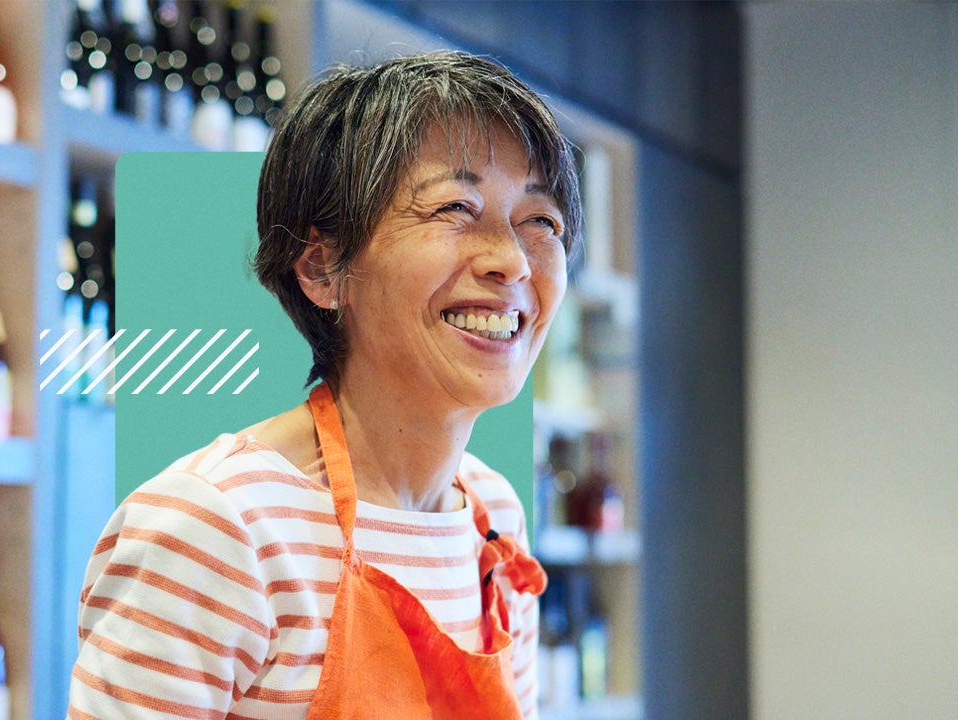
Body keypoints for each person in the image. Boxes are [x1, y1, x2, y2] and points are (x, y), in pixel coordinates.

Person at [68, 50, 583, 720]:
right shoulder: (218, 527)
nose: (511, 260)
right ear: (321, 271)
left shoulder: (493, 519)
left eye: (541, 221)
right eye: (455, 207)